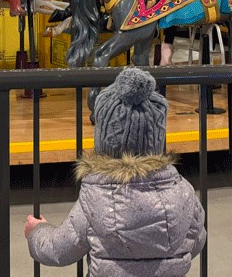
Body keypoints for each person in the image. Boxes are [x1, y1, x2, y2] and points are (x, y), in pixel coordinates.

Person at [25, 68, 206, 275]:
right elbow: (196, 241)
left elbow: (59, 249)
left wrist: (36, 231)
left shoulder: (96, 197)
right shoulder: (183, 191)